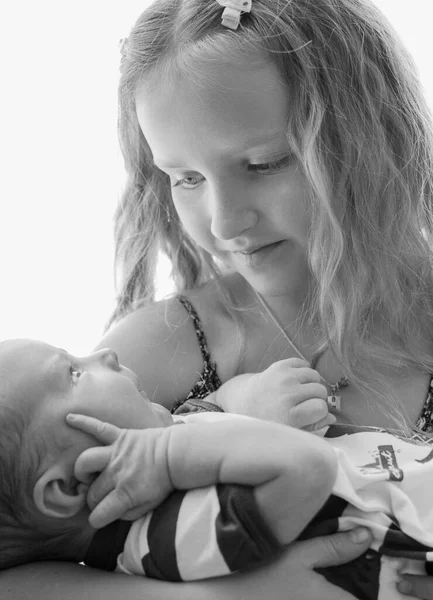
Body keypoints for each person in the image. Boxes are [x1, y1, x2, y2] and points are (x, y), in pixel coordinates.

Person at [3, 0, 433, 598]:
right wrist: (222, 596)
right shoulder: (161, 350)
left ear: (367, 137)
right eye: (186, 178)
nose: (225, 222)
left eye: (263, 163)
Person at [0, 338, 431, 600]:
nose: (105, 353)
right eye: (74, 373)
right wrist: (169, 454)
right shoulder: (171, 532)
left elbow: (210, 414)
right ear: (69, 486)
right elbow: (308, 466)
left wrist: (245, 398)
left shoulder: (159, 442)